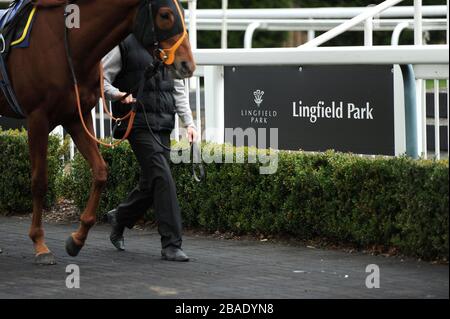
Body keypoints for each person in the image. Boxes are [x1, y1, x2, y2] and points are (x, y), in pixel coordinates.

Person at [102, 34, 197, 262]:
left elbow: (177, 88)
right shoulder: (124, 43)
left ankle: (121, 217)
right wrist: (117, 95)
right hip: (136, 123)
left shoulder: (168, 45)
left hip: (163, 124)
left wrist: (189, 123)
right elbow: (101, 79)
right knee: (162, 177)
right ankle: (171, 244)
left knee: (151, 182)